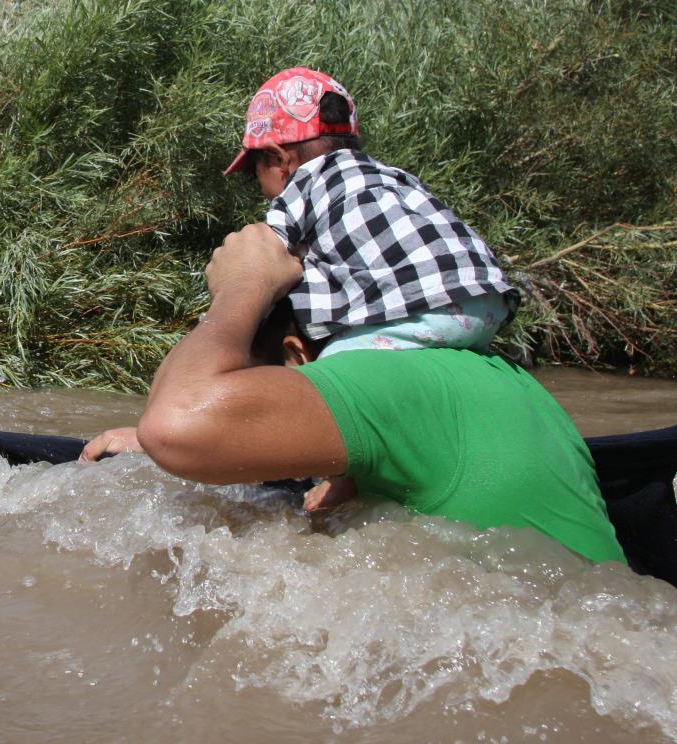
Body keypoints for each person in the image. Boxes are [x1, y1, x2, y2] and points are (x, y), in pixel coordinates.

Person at [82, 223, 625, 565]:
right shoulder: (492, 377)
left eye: (250, 384)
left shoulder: (378, 385)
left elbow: (176, 425)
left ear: (296, 357)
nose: (248, 406)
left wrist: (240, 289)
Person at [225, 67, 518, 358]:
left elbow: (264, 256)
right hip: (489, 302)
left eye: (255, 172)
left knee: (330, 368)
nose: (261, 190)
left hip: (425, 307)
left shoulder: (303, 186)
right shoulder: (393, 177)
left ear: (278, 160)